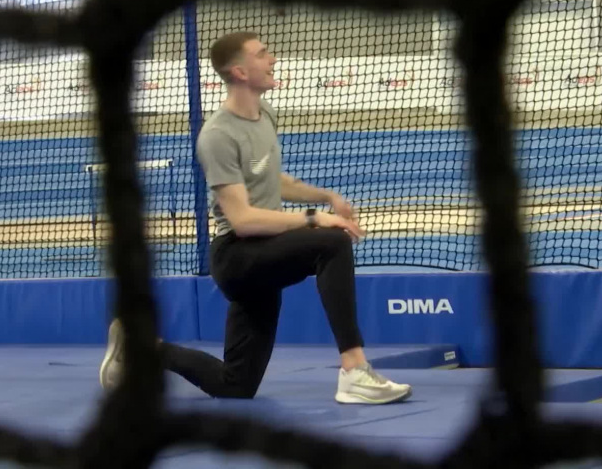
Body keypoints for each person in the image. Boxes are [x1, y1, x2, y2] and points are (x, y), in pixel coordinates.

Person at [99, 31, 412, 404]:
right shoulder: (216, 135)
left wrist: (326, 197)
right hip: (238, 257)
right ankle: (355, 372)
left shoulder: (266, 117)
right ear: (240, 72)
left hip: (266, 255)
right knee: (332, 243)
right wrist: (315, 219)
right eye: (263, 54)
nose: (273, 59)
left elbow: (271, 179)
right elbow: (243, 219)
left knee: (235, 386)